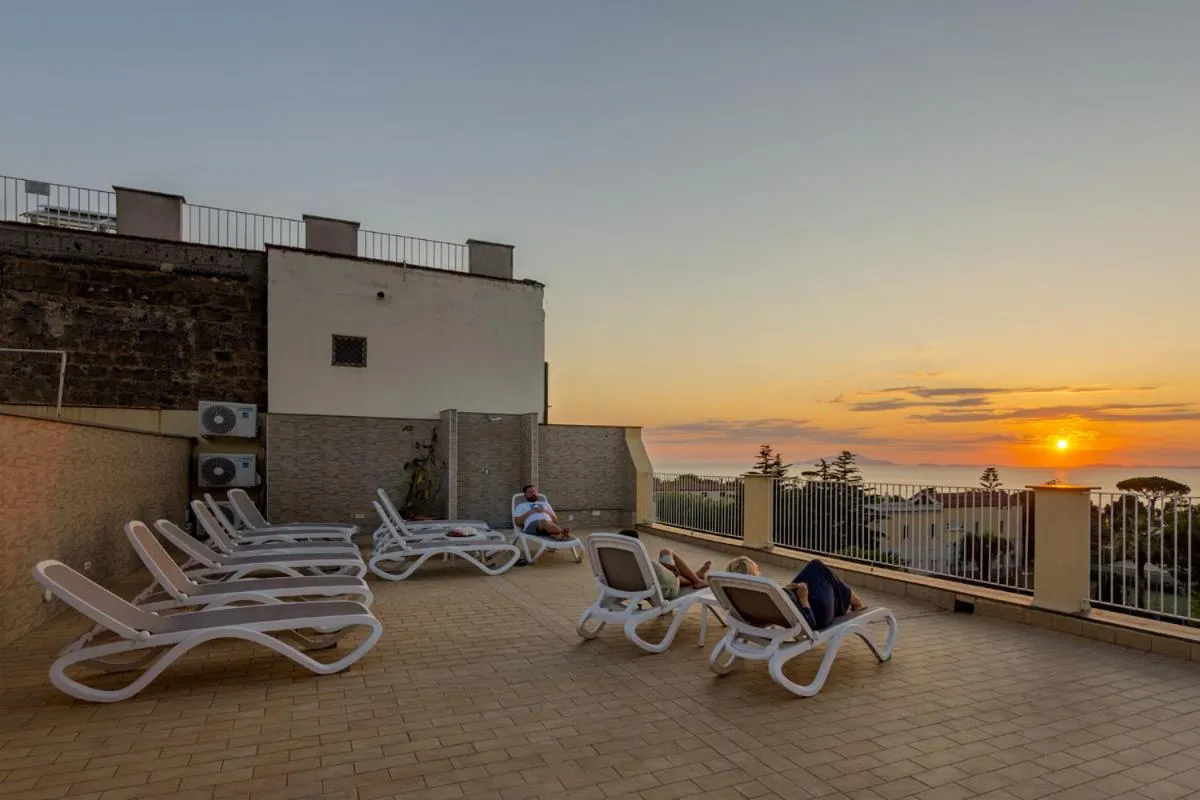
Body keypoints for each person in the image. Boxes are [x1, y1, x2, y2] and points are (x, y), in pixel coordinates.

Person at [724, 556, 866, 631]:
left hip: (794, 608)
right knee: (819, 568)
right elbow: (810, 623)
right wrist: (803, 599)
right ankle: (855, 601)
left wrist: (785, 591)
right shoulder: (764, 593)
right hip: (816, 615)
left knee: (815, 568)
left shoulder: (744, 597)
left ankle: (849, 599)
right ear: (753, 574)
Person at [618, 530, 711, 599]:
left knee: (664, 570)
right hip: (663, 592)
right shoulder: (645, 566)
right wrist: (668, 569)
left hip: (635, 588)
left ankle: (696, 576)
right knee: (666, 551)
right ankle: (696, 580)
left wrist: (664, 568)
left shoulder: (617, 566)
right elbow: (669, 579)